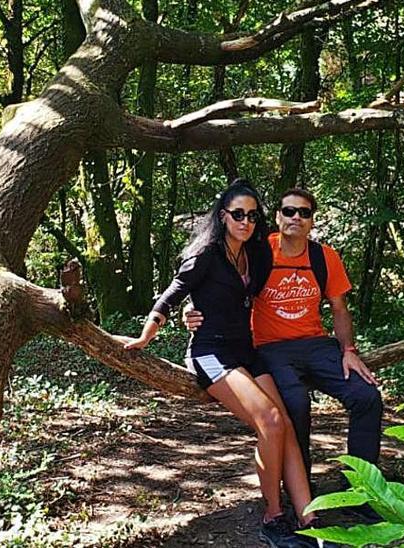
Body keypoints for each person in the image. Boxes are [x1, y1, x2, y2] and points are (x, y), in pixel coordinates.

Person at [113, 180, 317, 548]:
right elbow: (172, 294)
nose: (246, 221)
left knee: (283, 420)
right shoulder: (206, 254)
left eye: (252, 215)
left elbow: (253, 300)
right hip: (210, 352)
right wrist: (146, 336)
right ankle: (273, 517)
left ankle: (311, 519)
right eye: (238, 214)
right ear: (223, 216)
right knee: (269, 421)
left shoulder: (256, 255)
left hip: (246, 350)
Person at [186, 187, 384, 519]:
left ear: (311, 221)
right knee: (294, 406)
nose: (295, 218)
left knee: (367, 397)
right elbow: (215, 280)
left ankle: (364, 493)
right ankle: (302, 496)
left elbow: (339, 308)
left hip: (317, 345)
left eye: (303, 213)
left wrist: (348, 350)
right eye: (288, 211)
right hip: (270, 348)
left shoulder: (324, 257)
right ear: (277, 217)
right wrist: (191, 309)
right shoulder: (260, 251)